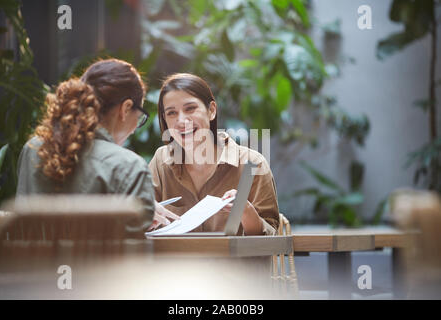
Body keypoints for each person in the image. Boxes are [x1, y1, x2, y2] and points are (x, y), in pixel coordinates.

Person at [16, 58, 179, 232]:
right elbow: (131, 251)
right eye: (139, 117)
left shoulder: (33, 149)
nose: (133, 130)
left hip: (29, 260)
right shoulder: (129, 166)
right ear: (126, 109)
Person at [148, 73, 279, 235]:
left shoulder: (252, 163)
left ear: (211, 111)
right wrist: (143, 217)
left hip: (233, 260)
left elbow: (272, 240)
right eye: (171, 113)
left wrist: (247, 213)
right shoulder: (160, 162)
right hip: (175, 261)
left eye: (190, 108)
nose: (181, 120)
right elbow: (138, 224)